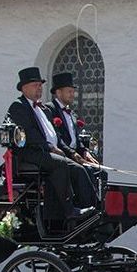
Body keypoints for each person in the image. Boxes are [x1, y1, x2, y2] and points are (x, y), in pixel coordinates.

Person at [6, 67, 95, 221]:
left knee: (79, 168)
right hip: (31, 153)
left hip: (48, 151)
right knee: (60, 164)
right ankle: (68, 210)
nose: (39, 88)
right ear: (24, 88)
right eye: (35, 85)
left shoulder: (44, 109)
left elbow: (56, 136)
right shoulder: (18, 106)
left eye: (40, 85)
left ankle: (92, 206)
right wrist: (50, 147)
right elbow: (28, 133)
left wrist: (71, 152)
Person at [49, 71, 104, 205]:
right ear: (58, 92)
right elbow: (58, 138)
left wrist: (85, 151)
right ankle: (88, 206)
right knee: (86, 171)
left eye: (73, 91)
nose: (72, 94)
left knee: (100, 171)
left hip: (75, 154)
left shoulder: (71, 113)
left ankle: (100, 204)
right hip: (62, 154)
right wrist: (73, 154)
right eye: (69, 91)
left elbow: (76, 139)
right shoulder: (50, 109)